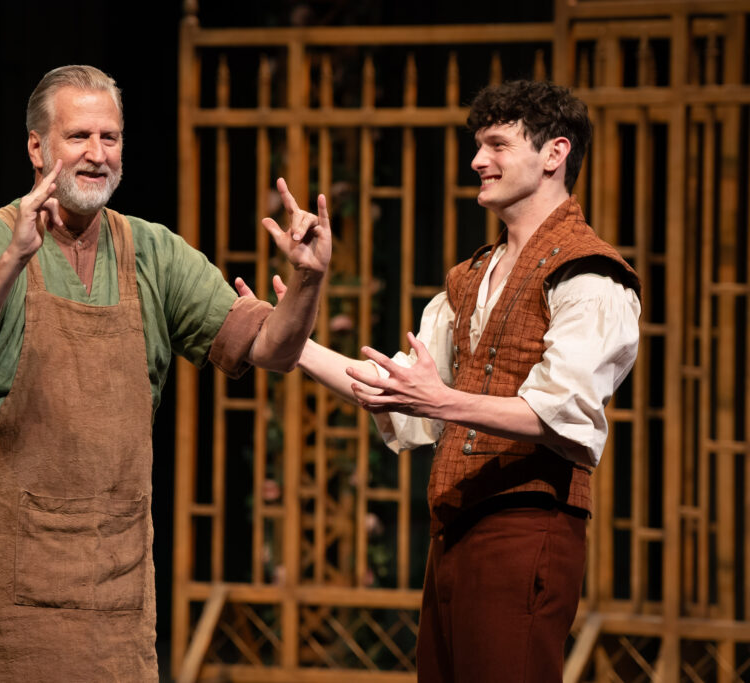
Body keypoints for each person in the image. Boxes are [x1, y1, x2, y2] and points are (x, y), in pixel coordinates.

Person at [0, 65, 331, 681]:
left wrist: (309, 278)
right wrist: (13, 259)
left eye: (109, 137)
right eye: (78, 136)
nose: (97, 154)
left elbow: (270, 348)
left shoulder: (153, 252)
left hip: (110, 592)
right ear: (36, 148)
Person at [238, 80, 640, 682]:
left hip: (527, 527)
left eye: (498, 145)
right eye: (478, 145)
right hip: (454, 531)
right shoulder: (472, 276)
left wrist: (442, 400)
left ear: (555, 153)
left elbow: (561, 413)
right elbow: (398, 388)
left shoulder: (589, 275)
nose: (478, 160)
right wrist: (284, 334)